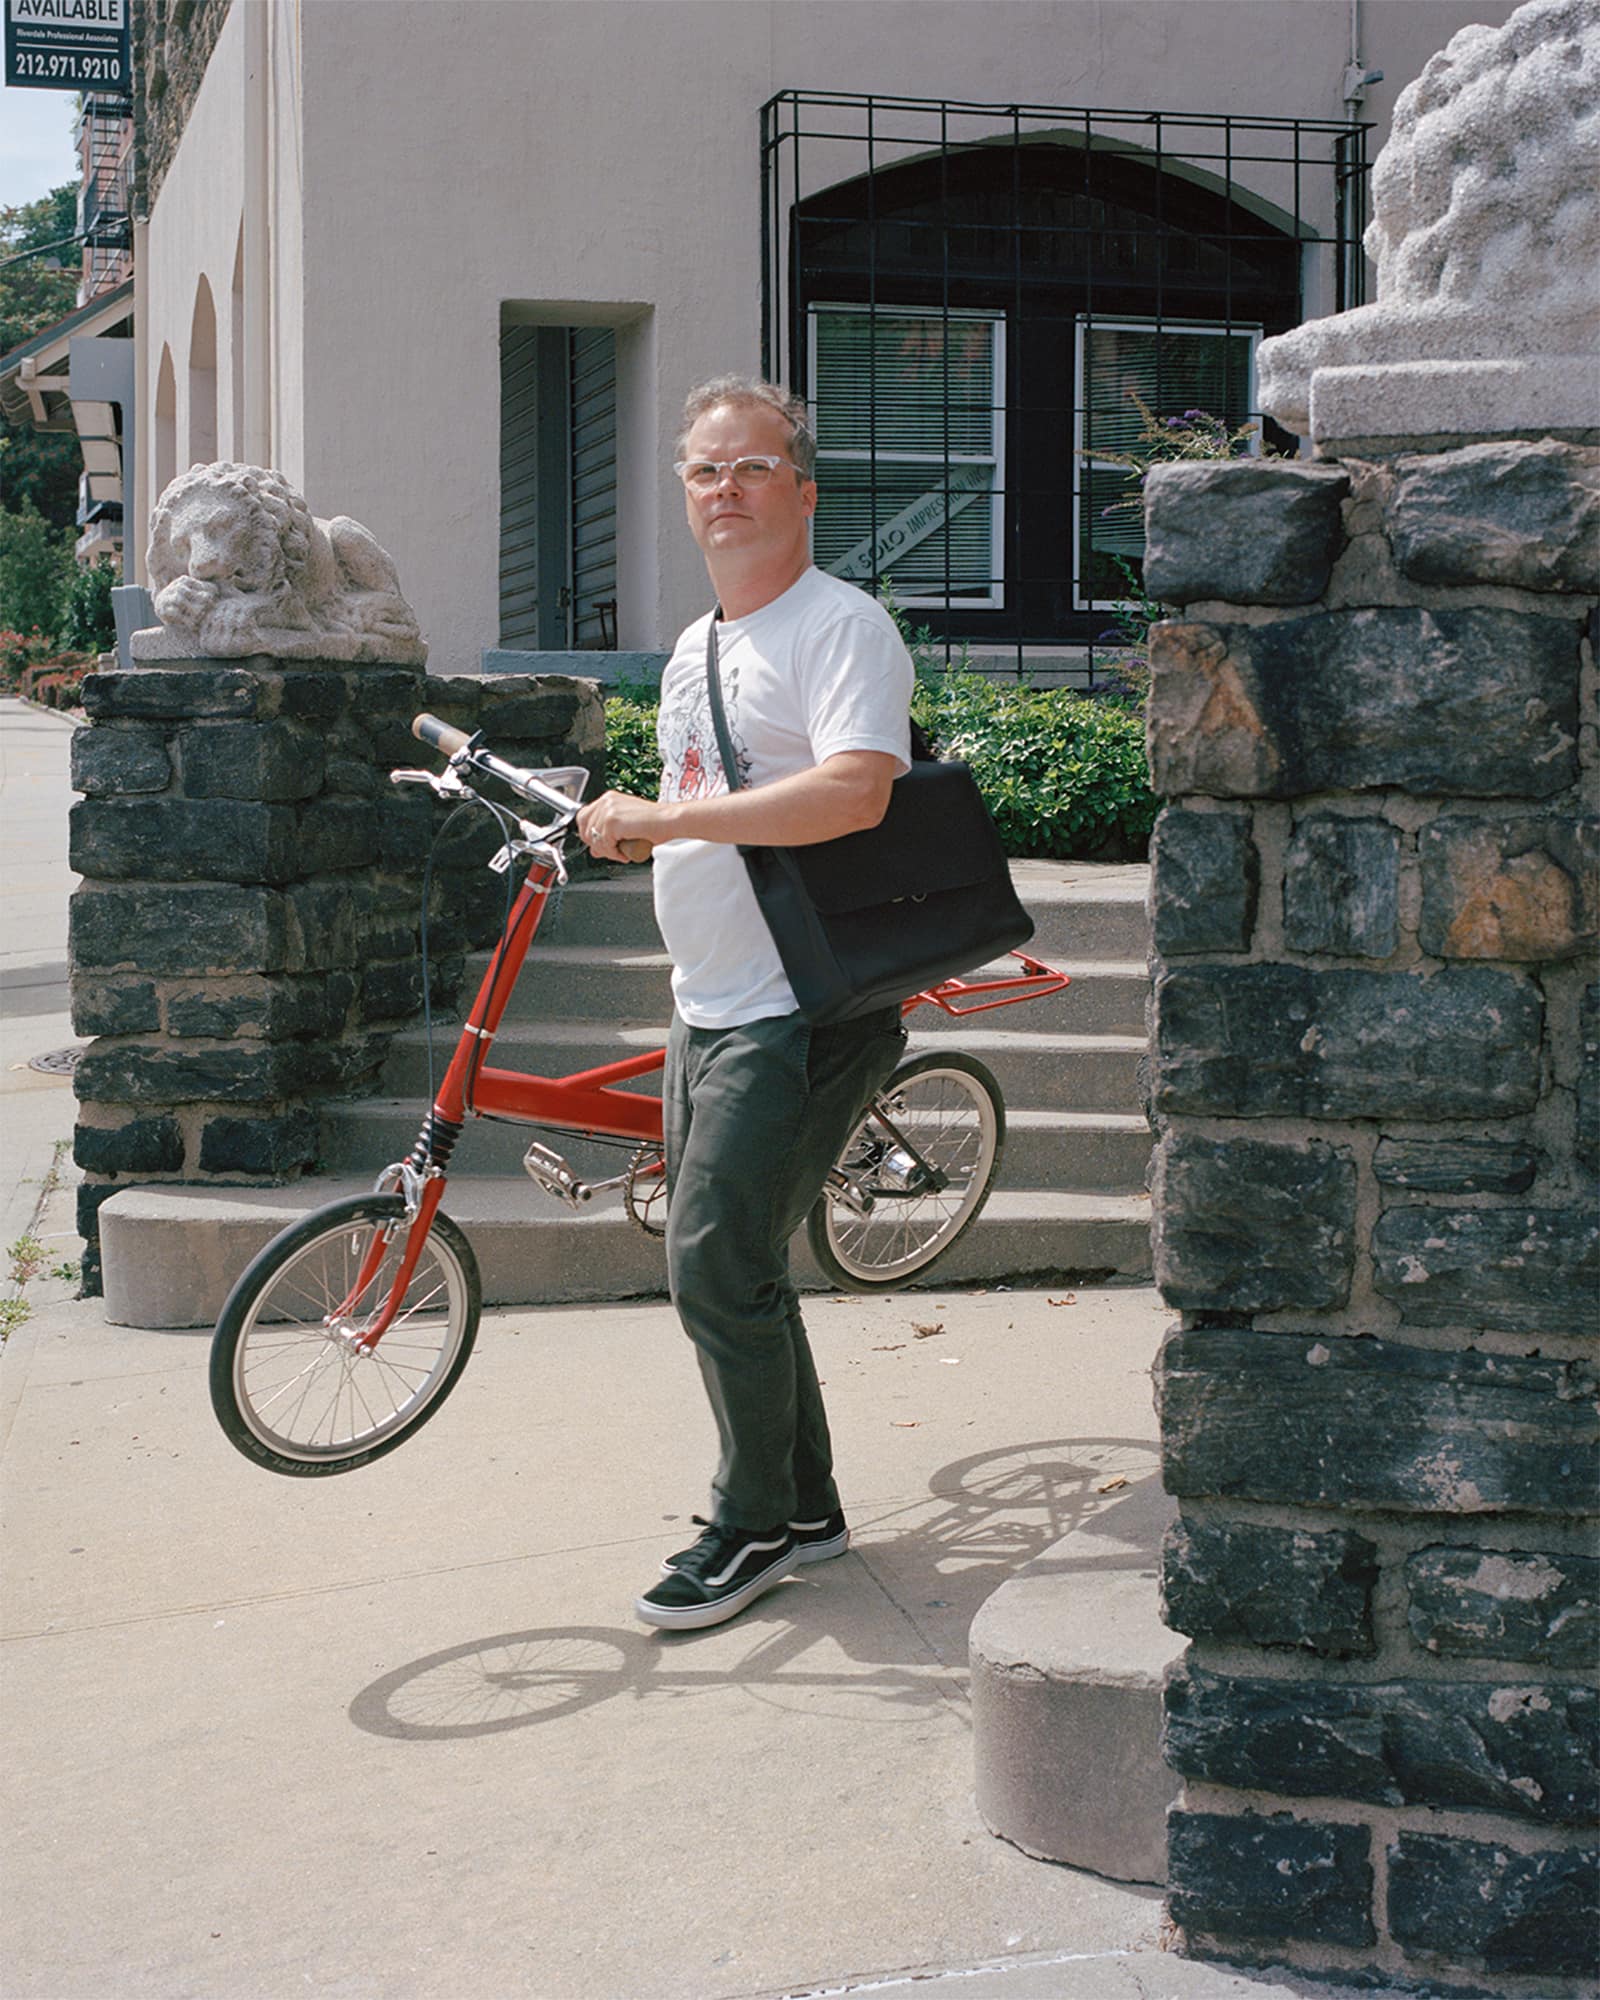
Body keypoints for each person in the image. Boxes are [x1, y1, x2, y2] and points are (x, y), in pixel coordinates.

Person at [576, 376, 914, 1631]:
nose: (726, 488)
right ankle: (807, 1508)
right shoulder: (696, 646)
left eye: (753, 466)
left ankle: (751, 1521)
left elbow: (856, 791)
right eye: (705, 470)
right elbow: (707, 798)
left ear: (804, 490)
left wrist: (666, 818)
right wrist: (635, 825)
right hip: (709, 999)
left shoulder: (840, 627)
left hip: (800, 1005)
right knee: (740, 1261)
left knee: (714, 1264)